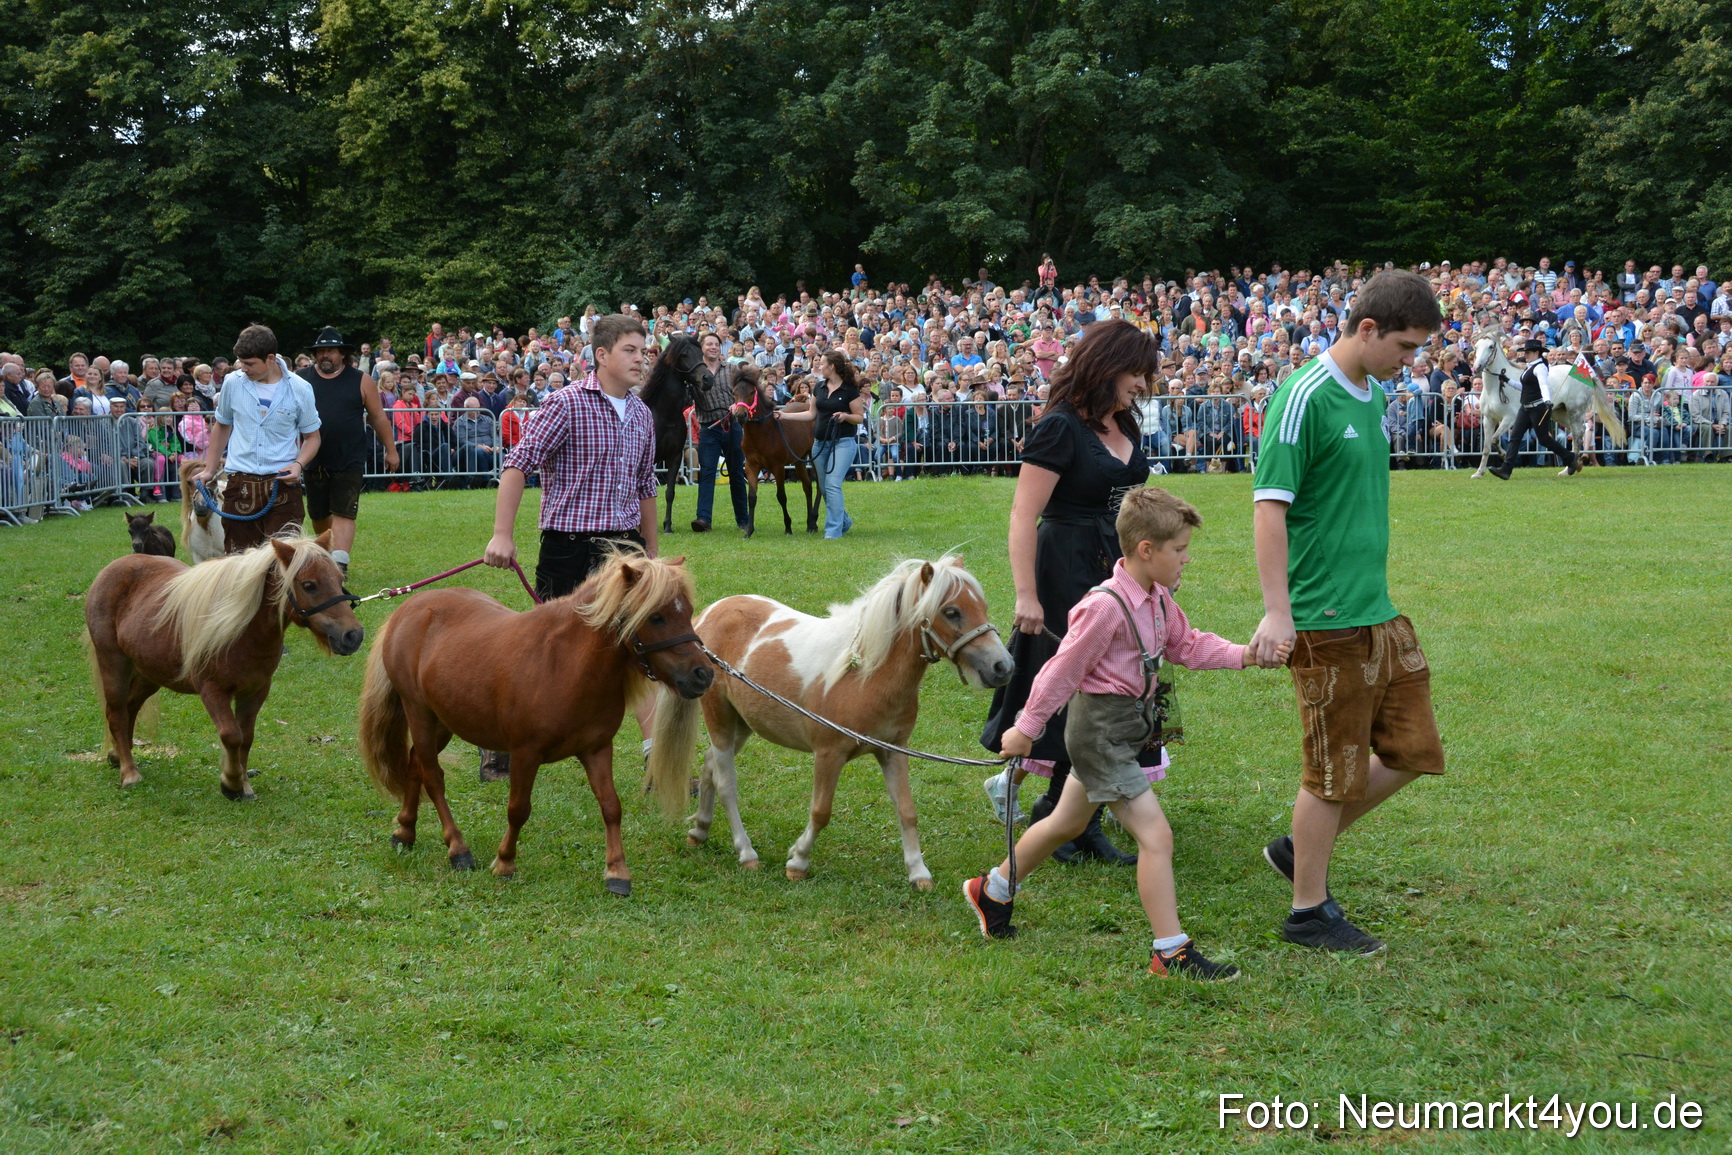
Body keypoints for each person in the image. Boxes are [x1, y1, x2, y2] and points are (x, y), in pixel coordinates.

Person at [963, 488, 1288, 980]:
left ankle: (992, 890)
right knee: (1156, 836)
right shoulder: (1106, 607)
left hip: (1123, 731)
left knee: (1066, 823)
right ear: (1145, 550)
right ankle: (1170, 951)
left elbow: (1188, 645)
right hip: (1099, 736)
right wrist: (1025, 729)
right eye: (1179, 549)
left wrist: (1245, 653)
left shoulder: (1158, 599)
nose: (1186, 558)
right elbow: (1060, 671)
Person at [1247, 268, 1447, 955]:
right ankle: (1308, 909)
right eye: (1406, 345)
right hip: (1323, 617)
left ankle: (1298, 848)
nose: (1411, 359)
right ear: (1367, 329)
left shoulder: (1374, 392)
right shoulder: (1304, 396)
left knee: (1416, 749)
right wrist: (1280, 613)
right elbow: (1269, 506)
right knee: (1333, 769)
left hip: (1378, 611)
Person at [979, 319, 1157, 865]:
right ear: (1108, 365)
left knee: (1118, 687)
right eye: (1137, 372)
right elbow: (1023, 515)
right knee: (1073, 689)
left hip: (1119, 567)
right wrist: (1026, 595)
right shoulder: (1058, 427)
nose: (1144, 385)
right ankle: (1062, 816)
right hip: (1065, 567)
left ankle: (1081, 820)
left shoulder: (1124, 422)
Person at [481, 314, 659, 782]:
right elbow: (518, 465)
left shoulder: (642, 414)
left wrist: (651, 556)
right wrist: (503, 533)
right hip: (568, 545)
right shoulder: (566, 404)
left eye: (644, 351)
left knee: (640, 645)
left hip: (625, 549)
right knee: (548, 649)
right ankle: (498, 741)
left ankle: (654, 753)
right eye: (631, 350)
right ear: (601, 355)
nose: (642, 359)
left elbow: (646, 488)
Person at [196, 324, 322, 552]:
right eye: (241, 362)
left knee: (283, 560)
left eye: (250, 363)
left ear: (271, 358)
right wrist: (209, 469)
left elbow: (312, 437)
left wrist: (298, 464)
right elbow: (223, 425)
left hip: (283, 485)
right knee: (239, 560)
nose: (243, 369)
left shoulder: (300, 388)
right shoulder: (233, 383)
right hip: (240, 483)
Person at [302, 327, 399, 574]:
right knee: (318, 512)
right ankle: (327, 555)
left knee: (344, 510)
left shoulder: (361, 380)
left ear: (342, 354)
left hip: (350, 457)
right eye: (320, 351)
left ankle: (339, 564)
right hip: (313, 458)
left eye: (330, 351)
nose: (324, 355)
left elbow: (378, 417)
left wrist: (391, 450)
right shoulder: (301, 380)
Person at [776, 350, 866, 538]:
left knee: (832, 484)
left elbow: (859, 418)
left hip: (843, 443)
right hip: (819, 444)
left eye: (821, 363)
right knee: (824, 488)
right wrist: (785, 415)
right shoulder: (819, 387)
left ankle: (832, 531)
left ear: (831, 366)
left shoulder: (850, 390)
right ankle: (844, 520)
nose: (818, 367)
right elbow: (811, 414)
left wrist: (845, 416)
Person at [689, 333, 751, 534]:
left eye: (716, 344)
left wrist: (736, 405)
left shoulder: (732, 369)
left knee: (736, 472)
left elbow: (742, 392)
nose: (713, 347)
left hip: (732, 425)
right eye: (709, 344)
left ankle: (743, 520)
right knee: (706, 472)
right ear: (702, 348)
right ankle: (703, 519)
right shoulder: (696, 373)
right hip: (709, 427)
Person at [1489, 339, 1578, 479]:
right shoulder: (1530, 367)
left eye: (1528, 352)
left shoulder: (1540, 367)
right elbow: (1525, 387)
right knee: (1515, 437)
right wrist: (1507, 381)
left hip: (1538, 408)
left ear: (1537, 352)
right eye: (1525, 352)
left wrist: (1547, 400)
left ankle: (1569, 457)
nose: (1526, 355)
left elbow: (1544, 385)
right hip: (1525, 408)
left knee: (1544, 439)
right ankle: (1506, 469)